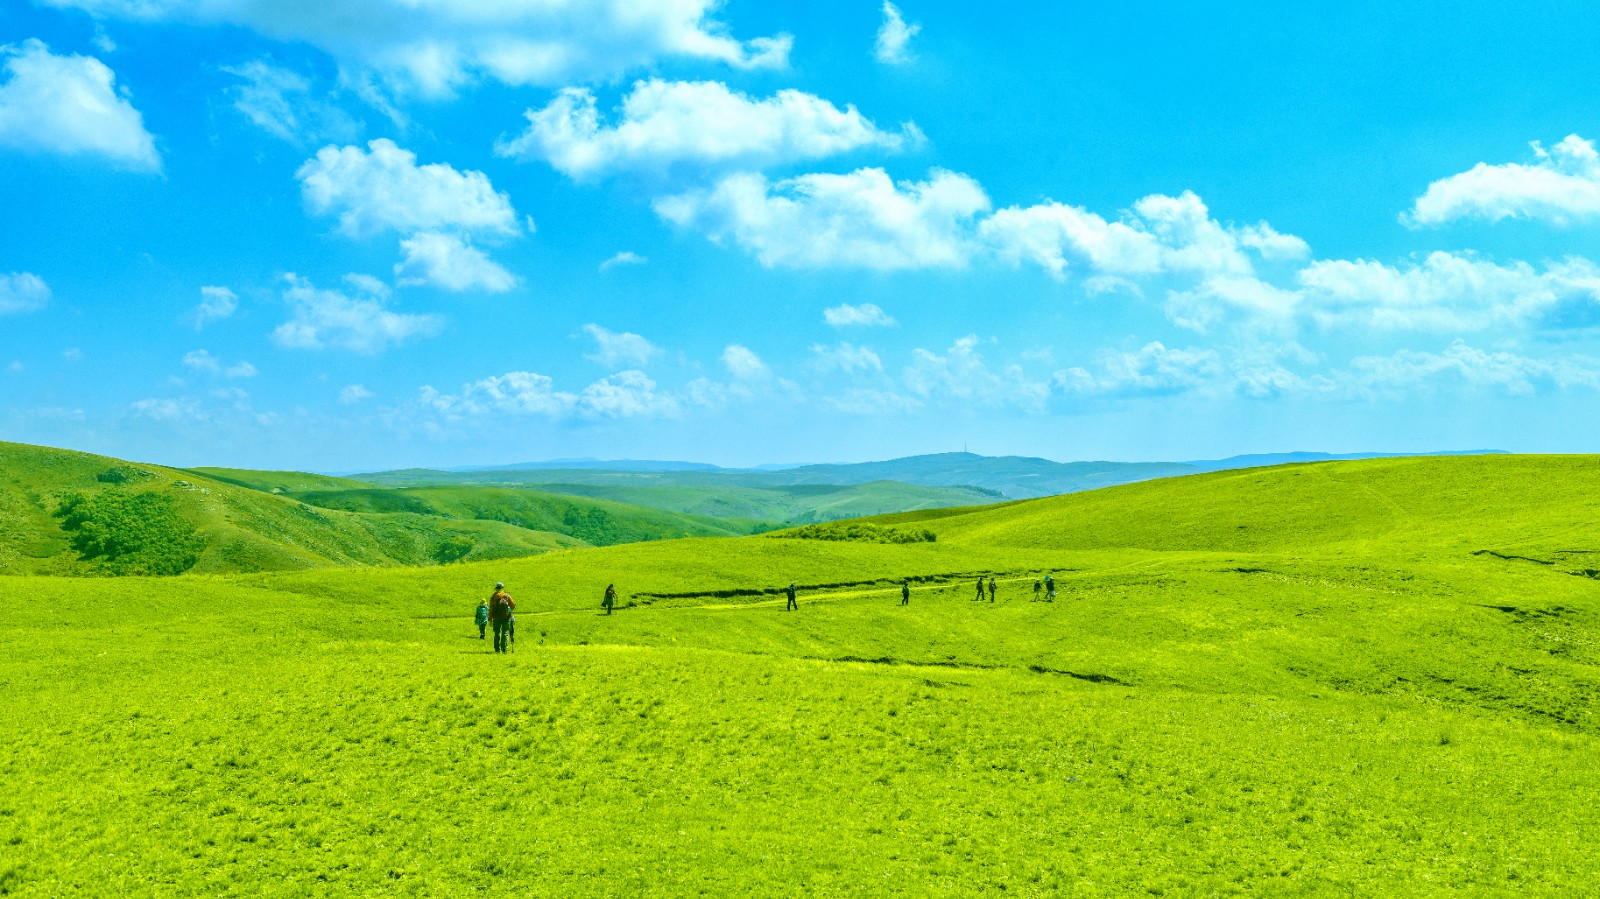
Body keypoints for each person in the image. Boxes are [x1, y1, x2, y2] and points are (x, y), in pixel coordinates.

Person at [489, 582, 516, 653]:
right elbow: (513, 605)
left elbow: (491, 608)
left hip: (496, 618)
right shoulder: (507, 596)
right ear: (502, 588)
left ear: (496, 589)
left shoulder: (493, 597)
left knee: (497, 633)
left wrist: (490, 619)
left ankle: (497, 649)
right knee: (505, 632)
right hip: (506, 617)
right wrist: (509, 610)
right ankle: (504, 649)